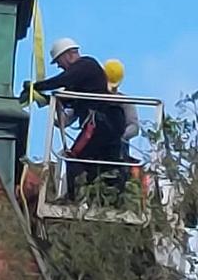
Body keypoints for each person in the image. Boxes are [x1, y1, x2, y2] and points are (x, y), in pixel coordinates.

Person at [23, 39, 125, 200]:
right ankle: (97, 198)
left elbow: (61, 80)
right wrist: (42, 98)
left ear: (69, 55)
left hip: (101, 123)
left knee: (74, 158)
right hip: (104, 124)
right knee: (96, 164)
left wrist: (36, 86)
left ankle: (73, 199)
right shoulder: (82, 78)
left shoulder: (85, 65)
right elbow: (65, 98)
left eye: (59, 62)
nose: (59, 66)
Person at [103, 60, 140, 154]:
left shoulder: (125, 102)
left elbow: (134, 127)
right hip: (91, 148)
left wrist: (120, 137)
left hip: (118, 152)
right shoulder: (90, 97)